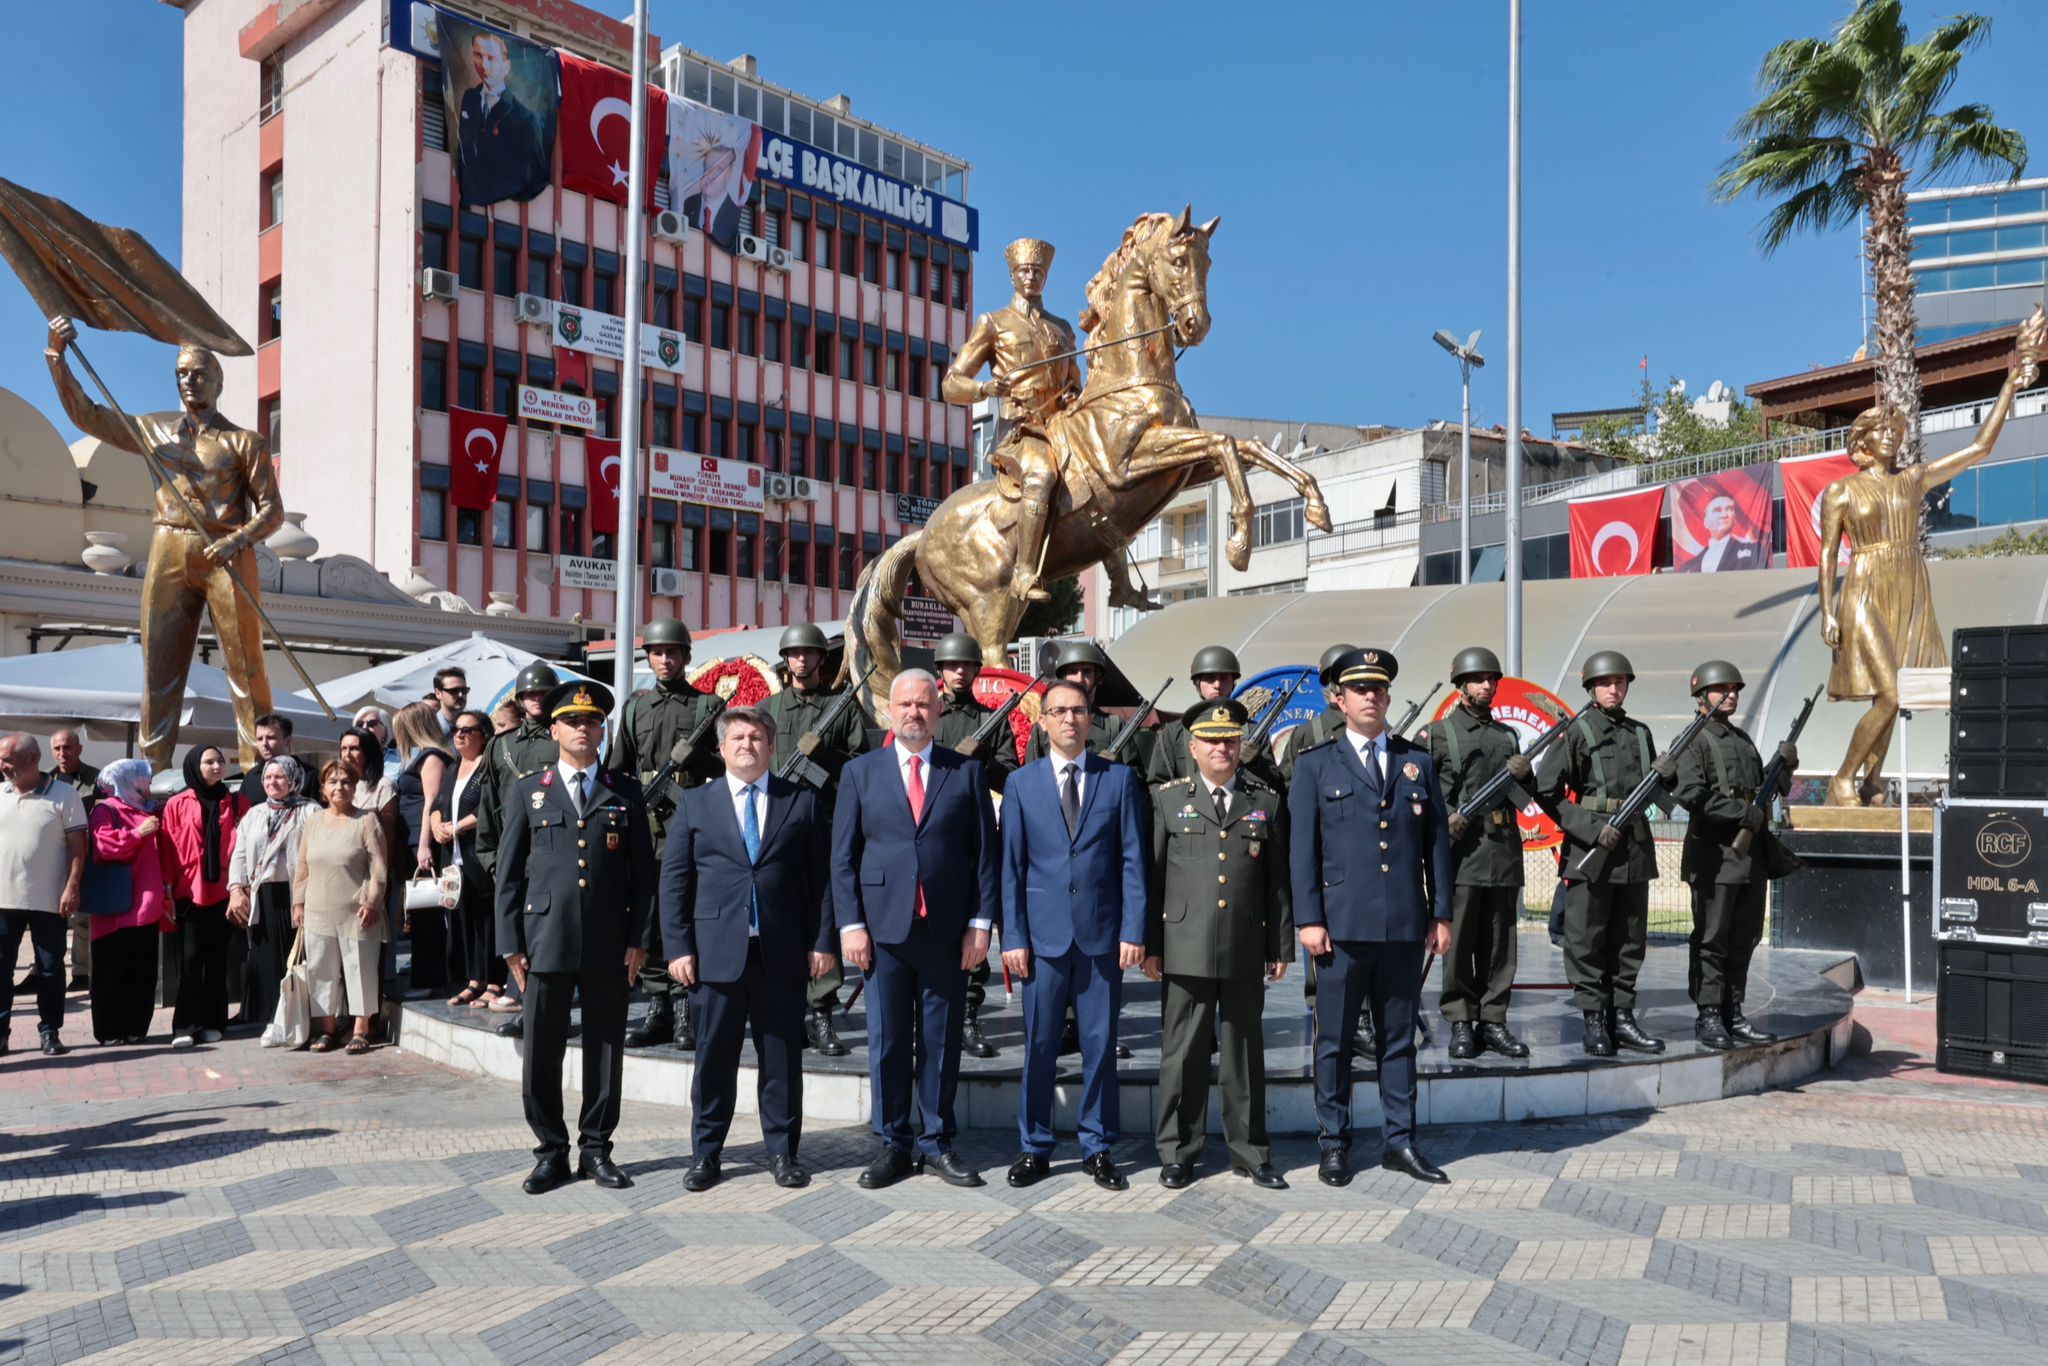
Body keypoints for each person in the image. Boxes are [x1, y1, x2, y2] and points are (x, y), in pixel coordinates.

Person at [46, 318, 281, 770]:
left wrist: (238, 540)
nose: (189, 381)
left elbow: (272, 511)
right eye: (181, 374)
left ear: (217, 381)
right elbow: (89, 415)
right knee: (159, 669)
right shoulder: (155, 433)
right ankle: (151, 769)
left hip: (224, 552)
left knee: (246, 666)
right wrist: (57, 357)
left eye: (198, 373)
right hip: (169, 546)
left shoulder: (243, 442)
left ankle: (259, 766)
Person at [1288, 647, 1454, 1188]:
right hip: (1338, 929)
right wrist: (1309, 918)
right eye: (1360, 689)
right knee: (1333, 1041)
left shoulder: (1417, 761)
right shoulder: (1315, 764)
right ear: (1339, 698)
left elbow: (1436, 846)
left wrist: (1441, 914)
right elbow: (1302, 851)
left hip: (1404, 925)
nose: (1372, 697)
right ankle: (1334, 1144)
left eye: (1379, 689)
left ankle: (1400, 1142)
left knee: (1398, 1039)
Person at [832, 669, 999, 1190]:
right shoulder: (860, 773)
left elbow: (984, 857)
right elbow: (843, 858)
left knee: (941, 1040)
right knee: (886, 1042)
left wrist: (980, 925)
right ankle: (893, 1144)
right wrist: (851, 925)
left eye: (923, 705)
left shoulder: (965, 772)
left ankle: (936, 1141)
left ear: (939, 711)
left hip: (947, 930)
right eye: (905, 704)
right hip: (882, 932)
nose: (914, 713)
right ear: (890, 710)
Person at [662, 706, 834, 1191]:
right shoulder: (696, 804)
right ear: (720, 748)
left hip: (780, 953)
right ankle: (707, 1155)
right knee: (713, 1061)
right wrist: (677, 947)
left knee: (781, 1060)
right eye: (738, 737)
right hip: (715, 956)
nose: (747, 745)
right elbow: (675, 882)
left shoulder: (800, 802)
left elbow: (820, 882)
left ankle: (782, 1153)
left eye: (757, 737)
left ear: (771, 745)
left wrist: (823, 942)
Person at [495, 681, 655, 1195]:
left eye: (591, 722)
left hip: (609, 940)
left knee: (605, 1048)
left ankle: (596, 1149)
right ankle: (550, 1152)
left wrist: (639, 939)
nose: (581, 729)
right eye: (571, 721)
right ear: (556, 729)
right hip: (545, 940)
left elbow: (642, 875)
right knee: (542, 1048)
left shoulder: (624, 791)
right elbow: (509, 874)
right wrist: (510, 943)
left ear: (602, 729)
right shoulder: (528, 788)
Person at [1001, 678, 1150, 1192]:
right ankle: (1034, 1146)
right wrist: (1012, 937)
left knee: (1099, 1045)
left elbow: (1133, 861)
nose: (1070, 719)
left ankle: (1098, 1146)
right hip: (1041, 942)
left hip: (1101, 937)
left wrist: (1134, 928)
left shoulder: (1120, 780)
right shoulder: (1022, 784)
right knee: (1040, 1046)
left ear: (1091, 719)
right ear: (1043, 722)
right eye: (1059, 711)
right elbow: (1012, 868)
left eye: (1079, 711)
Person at [1144, 701, 1291, 1189]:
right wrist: (1149, 944)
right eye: (1212, 740)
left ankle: (1249, 1151)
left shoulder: (1264, 801)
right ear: (1193, 747)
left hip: (1245, 943)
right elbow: (1154, 877)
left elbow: (1276, 882)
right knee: (1182, 1053)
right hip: (1183, 944)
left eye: (1230, 740)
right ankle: (1178, 1152)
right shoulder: (1168, 800)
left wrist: (1280, 945)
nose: (1222, 748)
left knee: (1244, 1053)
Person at [1534, 651, 1665, 1059]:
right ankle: (1595, 1019)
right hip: (1592, 848)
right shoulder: (1575, 732)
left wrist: (1669, 772)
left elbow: (1655, 788)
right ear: (1591, 686)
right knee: (1587, 937)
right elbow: (1546, 789)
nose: (1615, 688)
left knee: (1629, 938)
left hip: (1634, 849)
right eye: (1607, 682)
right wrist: (1591, 828)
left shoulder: (1640, 733)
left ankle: (1622, 1018)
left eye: (1621, 682)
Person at [940, 238, 1084, 605]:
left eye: (1038, 271)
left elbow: (1074, 380)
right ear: (1012, 275)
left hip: (1061, 426)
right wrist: (986, 387)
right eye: (1024, 271)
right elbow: (951, 384)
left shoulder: (1062, 328)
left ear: (1046, 276)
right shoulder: (994, 323)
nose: (1031, 277)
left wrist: (1073, 394)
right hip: (1021, 430)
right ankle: (1024, 572)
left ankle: (1119, 577)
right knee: (1042, 476)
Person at [1671, 660, 1801, 1050]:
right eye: (1721, 689)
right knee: (1712, 938)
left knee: (1745, 936)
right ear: (1701, 695)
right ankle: (1709, 1014)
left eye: (1734, 689)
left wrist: (1783, 769)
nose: (1731, 695)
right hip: (1714, 854)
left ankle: (1733, 1010)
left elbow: (1760, 789)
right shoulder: (1692, 740)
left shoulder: (1742, 739)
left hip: (1750, 856)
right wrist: (1741, 813)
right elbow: (1691, 794)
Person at [611, 618, 723, 1053]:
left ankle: (685, 1007)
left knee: (686, 915)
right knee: (649, 916)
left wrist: (698, 758)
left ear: (685, 657)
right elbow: (619, 769)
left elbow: (729, 766)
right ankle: (657, 1004)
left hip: (690, 829)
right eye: (656, 652)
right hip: (645, 827)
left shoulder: (707, 706)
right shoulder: (635, 708)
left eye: (672, 652)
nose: (664, 659)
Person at [762, 623, 871, 1056]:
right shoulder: (768, 708)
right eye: (795, 653)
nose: (803, 660)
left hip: (826, 825)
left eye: (810, 653)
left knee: (824, 915)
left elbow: (861, 771)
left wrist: (825, 756)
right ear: (786, 659)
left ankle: (822, 1012)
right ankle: (787, 1010)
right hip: (777, 828)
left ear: (821, 659)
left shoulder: (841, 708)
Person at [1428, 647, 1532, 1061]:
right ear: (1461, 685)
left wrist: (1528, 775)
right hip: (1463, 854)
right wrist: (1447, 819)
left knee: (1500, 946)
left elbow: (1524, 797)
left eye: (1491, 679)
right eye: (1478, 679)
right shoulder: (1438, 734)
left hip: (1503, 851)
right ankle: (1460, 1022)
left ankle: (1494, 1021)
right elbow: (1423, 796)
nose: (1487, 686)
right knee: (1459, 944)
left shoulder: (1507, 735)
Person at [930, 632, 1016, 1058]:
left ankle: (967, 1016)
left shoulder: (993, 719)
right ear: (940, 671)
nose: (960, 671)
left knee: (973, 927)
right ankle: (929, 1018)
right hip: (929, 835)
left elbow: (1011, 779)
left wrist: (982, 759)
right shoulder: (928, 719)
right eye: (952, 665)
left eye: (967, 665)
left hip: (973, 832)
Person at [474, 662, 562, 1041]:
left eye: (543, 693)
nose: (536, 699)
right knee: (518, 940)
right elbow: (488, 809)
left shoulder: (565, 738)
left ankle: (545, 1011)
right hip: (514, 857)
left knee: (551, 938)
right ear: (520, 699)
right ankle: (528, 1008)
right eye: (529, 694)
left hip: (554, 854)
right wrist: (491, 858)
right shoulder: (500, 745)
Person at [0, 734, 87, 1056]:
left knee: (51, 970)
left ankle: (50, 1032)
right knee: (1, 970)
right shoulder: (0, 793)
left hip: (49, 900)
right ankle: (1, 1033)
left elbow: (79, 848)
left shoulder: (64, 795)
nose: (2, 766)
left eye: (7, 760)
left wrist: (72, 886)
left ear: (32, 760)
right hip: (3, 900)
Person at [293, 761, 388, 1055]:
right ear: (322, 789)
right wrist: (298, 903)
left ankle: (361, 1028)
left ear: (355, 786)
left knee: (361, 968)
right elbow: (303, 866)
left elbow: (378, 867)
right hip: (318, 909)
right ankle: (327, 1029)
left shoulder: (366, 821)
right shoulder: (313, 822)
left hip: (356, 910)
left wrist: (372, 901)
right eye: (332, 782)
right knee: (321, 969)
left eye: (346, 781)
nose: (339, 787)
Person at [163, 745, 249, 1049]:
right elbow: (168, 848)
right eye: (209, 761)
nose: (216, 766)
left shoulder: (237, 802)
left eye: (220, 761)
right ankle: (186, 1024)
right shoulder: (176, 803)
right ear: (193, 766)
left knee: (217, 960)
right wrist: (168, 890)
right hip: (188, 893)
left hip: (226, 892)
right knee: (188, 960)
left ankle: (214, 1022)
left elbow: (246, 847)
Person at [86, 761, 177, 1046]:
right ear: (128, 781)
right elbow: (104, 847)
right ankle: (109, 1030)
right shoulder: (106, 809)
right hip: (116, 907)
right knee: (110, 971)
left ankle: (136, 1027)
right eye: (144, 780)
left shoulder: (149, 809)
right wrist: (138, 833)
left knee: (142, 971)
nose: (149, 785)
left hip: (146, 904)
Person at [226, 756, 315, 1032]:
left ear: (293, 779)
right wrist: (236, 889)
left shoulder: (310, 811)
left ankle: (296, 1013)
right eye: (268, 777)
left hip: (297, 893)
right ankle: (264, 1012)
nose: (272, 782)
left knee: (296, 954)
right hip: (263, 894)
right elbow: (239, 854)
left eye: (279, 777)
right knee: (263, 952)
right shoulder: (254, 814)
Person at [433, 709, 509, 1011]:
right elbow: (440, 802)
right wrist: (438, 822)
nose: (460, 735)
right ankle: (474, 980)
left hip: (479, 856)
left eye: (468, 730)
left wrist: (458, 826)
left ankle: (494, 981)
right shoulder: (454, 768)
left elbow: (493, 807)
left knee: (487, 921)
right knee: (464, 921)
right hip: (454, 859)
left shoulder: (487, 767)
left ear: (484, 735)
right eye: (457, 730)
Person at [1147, 646, 1284, 791]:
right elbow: (1157, 786)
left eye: (1224, 679)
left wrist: (1256, 764)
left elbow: (1276, 789)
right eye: (1210, 679)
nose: (1217, 685)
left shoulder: (1252, 731)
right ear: (1197, 684)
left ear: (1233, 683)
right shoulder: (1173, 734)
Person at [391, 701, 455, 997]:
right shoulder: (423, 756)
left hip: (422, 840)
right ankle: (426, 977)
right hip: (413, 839)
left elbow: (432, 803)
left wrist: (425, 845)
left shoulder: (432, 757)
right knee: (421, 913)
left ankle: (431, 980)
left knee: (428, 912)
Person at [454, 29, 550, 208]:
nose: (483, 65)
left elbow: (538, 173)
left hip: (504, 209)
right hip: (468, 203)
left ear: (506, 66)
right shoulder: (470, 98)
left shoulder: (524, 118)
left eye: (491, 58)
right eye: (478, 55)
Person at [48, 727, 98, 993]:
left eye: (67, 747)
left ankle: (81, 972)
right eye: (57, 748)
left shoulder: (96, 780)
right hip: (52, 859)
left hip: (85, 857)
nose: (62, 753)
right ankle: (42, 969)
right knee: (47, 916)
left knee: (82, 918)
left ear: (79, 749)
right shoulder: (46, 780)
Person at [237, 714, 320, 805]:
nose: (264, 744)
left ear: (288, 741)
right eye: (260, 739)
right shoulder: (251, 777)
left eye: (270, 738)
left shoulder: (311, 776)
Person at [1674, 494, 1766, 574]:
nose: (1724, 515)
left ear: (1735, 520)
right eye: (1717, 510)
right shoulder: (1690, 566)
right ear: (1706, 522)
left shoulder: (1753, 550)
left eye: (1730, 509)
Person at [353, 706, 398, 774]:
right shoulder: (349, 759)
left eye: (372, 724)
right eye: (359, 725)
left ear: (385, 730)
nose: (364, 728)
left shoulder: (400, 761)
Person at [431, 667, 469, 738]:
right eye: (454, 691)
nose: (460, 695)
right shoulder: (430, 730)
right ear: (438, 693)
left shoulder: (476, 725)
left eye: (464, 690)